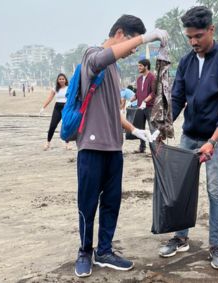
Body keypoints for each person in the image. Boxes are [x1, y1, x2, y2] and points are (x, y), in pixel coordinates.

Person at [74, 14, 168, 278]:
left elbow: (113, 113)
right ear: (119, 34)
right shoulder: (92, 56)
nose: (135, 50)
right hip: (91, 149)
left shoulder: (114, 70)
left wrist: (137, 131)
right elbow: (103, 58)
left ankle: (104, 251)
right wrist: (149, 37)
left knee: (111, 202)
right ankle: (84, 250)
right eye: (133, 42)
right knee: (87, 203)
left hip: (114, 149)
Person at [158, 6, 218, 270]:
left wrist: (213, 141)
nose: (193, 42)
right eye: (189, 37)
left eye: (198, 36)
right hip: (189, 136)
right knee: (182, 189)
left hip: (215, 138)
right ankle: (180, 237)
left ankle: (216, 246)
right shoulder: (186, 62)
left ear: (211, 30)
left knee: (215, 190)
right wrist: (163, 127)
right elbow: (177, 98)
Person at [130, 59, 156, 153]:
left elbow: (154, 92)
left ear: (146, 66)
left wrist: (145, 100)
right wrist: (133, 98)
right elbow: (138, 92)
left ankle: (155, 149)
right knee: (140, 128)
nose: (139, 68)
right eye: (138, 66)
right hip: (140, 107)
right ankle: (142, 148)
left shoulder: (152, 77)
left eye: (140, 66)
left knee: (153, 128)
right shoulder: (139, 78)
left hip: (150, 107)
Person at [40, 73, 71, 150]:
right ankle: (48, 143)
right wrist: (43, 108)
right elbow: (49, 98)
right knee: (52, 126)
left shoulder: (69, 88)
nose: (61, 80)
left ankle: (67, 144)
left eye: (63, 79)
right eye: (60, 79)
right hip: (57, 108)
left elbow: (72, 98)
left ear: (65, 80)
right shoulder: (55, 89)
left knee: (66, 126)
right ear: (57, 80)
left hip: (66, 108)